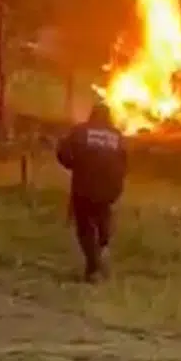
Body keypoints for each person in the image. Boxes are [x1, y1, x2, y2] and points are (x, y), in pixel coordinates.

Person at [56, 101, 128, 281]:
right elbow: (125, 163)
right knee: (103, 214)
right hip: (110, 189)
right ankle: (104, 247)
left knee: (85, 225)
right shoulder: (117, 136)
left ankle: (93, 267)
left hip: (85, 187)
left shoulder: (80, 131)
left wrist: (75, 166)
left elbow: (64, 154)